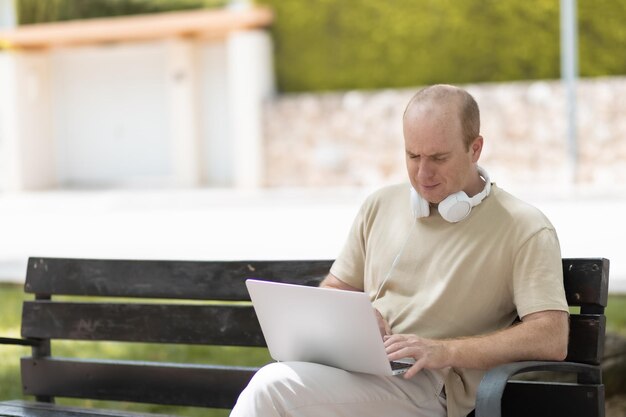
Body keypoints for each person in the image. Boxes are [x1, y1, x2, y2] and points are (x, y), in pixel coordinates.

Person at [230, 84, 569, 417]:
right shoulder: (380, 205)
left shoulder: (524, 227)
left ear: (475, 149)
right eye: (412, 156)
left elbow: (551, 336)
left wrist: (445, 351)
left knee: (273, 387)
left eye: (439, 158)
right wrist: (358, 318)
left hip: (427, 385)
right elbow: (335, 288)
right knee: (278, 384)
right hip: (359, 370)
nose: (423, 174)